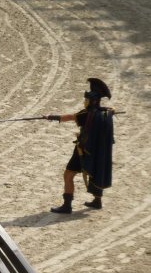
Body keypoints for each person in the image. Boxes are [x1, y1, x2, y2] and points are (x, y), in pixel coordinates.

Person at [46, 78, 114, 214]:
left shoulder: (88, 114)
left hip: (83, 150)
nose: (85, 102)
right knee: (97, 169)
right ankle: (97, 201)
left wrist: (51, 116)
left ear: (92, 101)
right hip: (97, 152)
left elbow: (70, 117)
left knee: (68, 175)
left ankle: (67, 205)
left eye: (87, 100)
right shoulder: (106, 113)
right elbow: (111, 110)